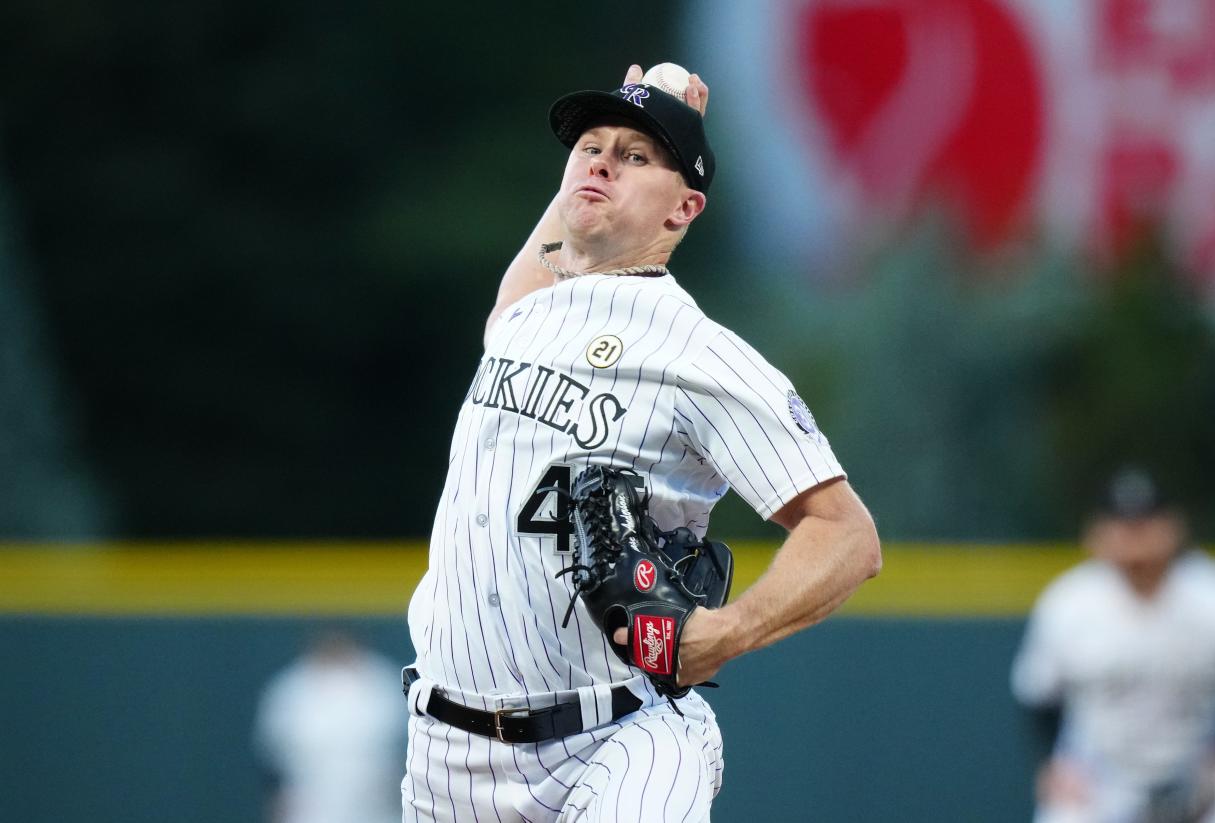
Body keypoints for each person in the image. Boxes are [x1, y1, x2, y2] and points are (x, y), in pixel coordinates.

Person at [400, 64, 882, 822]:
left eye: (633, 156)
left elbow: (848, 536)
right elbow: (563, 229)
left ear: (684, 208)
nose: (598, 161)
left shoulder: (698, 353)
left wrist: (725, 634)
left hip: (619, 738)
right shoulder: (528, 311)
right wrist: (650, 95)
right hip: (444, 759)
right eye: (589, 145)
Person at [1011, 468, 1215, 823]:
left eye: (1145, 522)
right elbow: (1038, 697)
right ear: (1096, 532)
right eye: (1121, 523)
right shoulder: (1069, 602)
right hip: (1103, 779)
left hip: (1201, 772)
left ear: (1174, 527)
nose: (1134, 536)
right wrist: (1054, 765)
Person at [254, 628, 407, 823]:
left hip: (377, 808)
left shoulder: (383, 681)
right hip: (310, 808)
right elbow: (270, 762)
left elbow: (409, 748)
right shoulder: (289, 688)